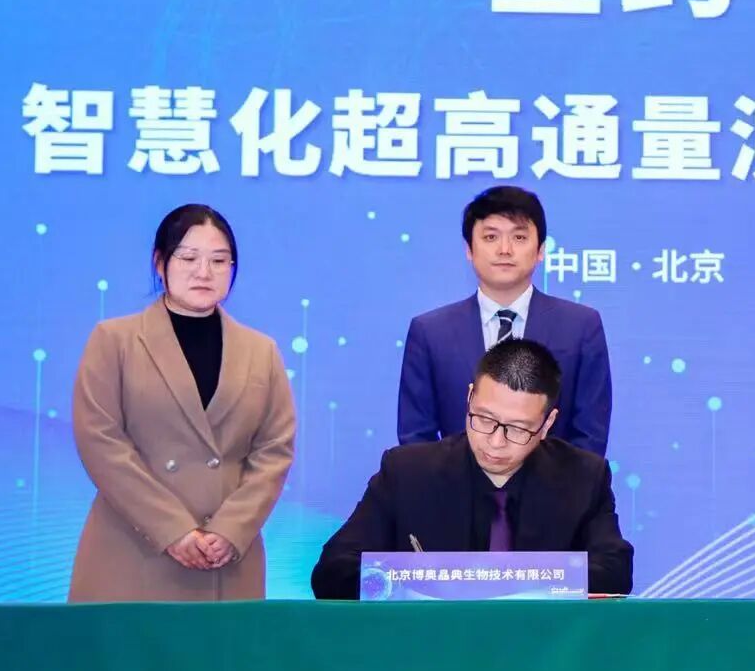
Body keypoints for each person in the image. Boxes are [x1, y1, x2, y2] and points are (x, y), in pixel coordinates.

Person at [68, 205, 296, 601]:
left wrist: (230, 529)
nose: (203, 272)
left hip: (226, 558)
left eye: (219, 261)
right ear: (160, 263)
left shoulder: (261, 351)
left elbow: (274, 450)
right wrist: (173, 529)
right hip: (132, 552)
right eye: (189, 258)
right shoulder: (114, 341)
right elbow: (101, 443)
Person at [315, 339, 633, 598]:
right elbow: (334, 571)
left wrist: (502, 582)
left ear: (548, 423)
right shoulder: (407, 472)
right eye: (484, 419)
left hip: (541, 650)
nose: (495, 442)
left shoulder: (583, 477)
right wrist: (420, 579)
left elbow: (614, 573)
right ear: (469, 397)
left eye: (518, 429)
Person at [397, 186, 612, 454]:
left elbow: (590, 434)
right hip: (454, 480)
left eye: (519, 237)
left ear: (541, 249)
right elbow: (416, 437)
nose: (504, 249)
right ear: (469, 249)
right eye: (490, 237)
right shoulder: (430, 332)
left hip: (555, 480)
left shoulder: (580, 326)